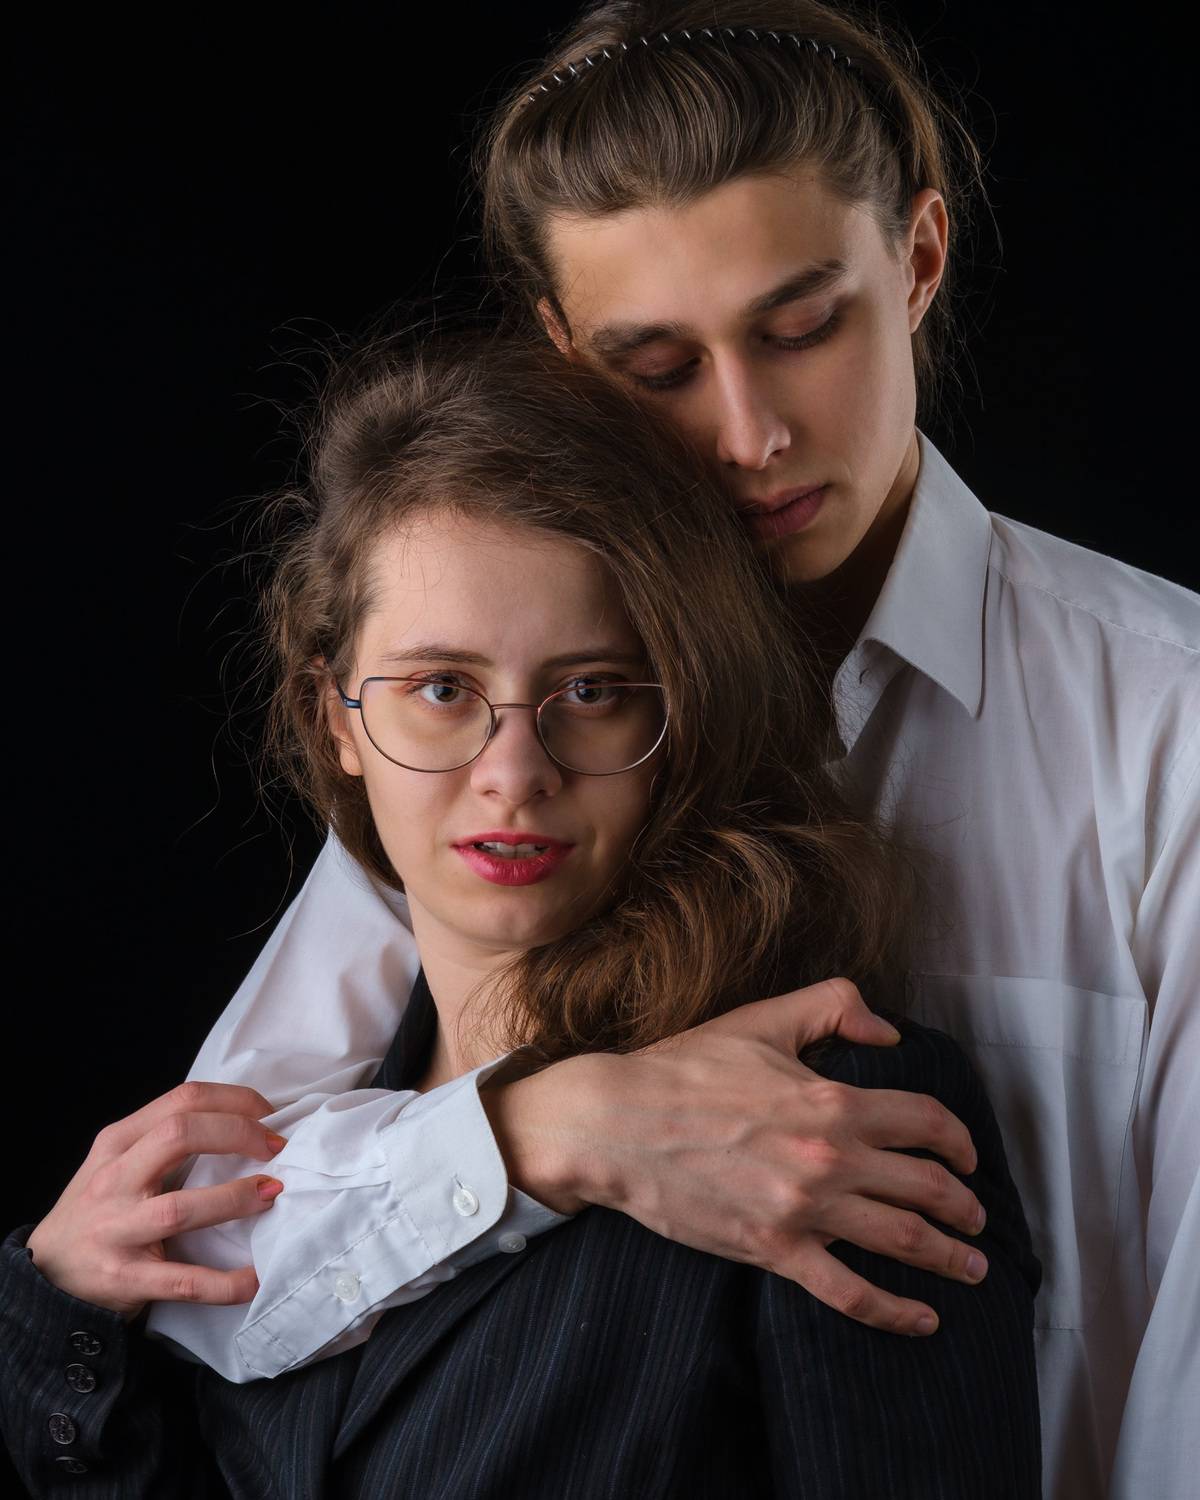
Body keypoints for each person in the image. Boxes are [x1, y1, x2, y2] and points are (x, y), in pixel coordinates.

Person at [15, 2, 1196, 1495]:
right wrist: (546, 1130)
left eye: (802, 327)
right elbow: (217, 1242)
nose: (749, 433)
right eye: (658, 365)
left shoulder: (1171, 726)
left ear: (918, 258)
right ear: (565, 354)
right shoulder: (492, 740)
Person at [2, 334, 1041, 1497]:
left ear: (679, 716)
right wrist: (63, 1306)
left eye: (591, 691)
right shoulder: (279, 1149)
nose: (514, 774)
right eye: (443, 689)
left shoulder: (824, 1117)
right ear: (336, 718)